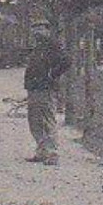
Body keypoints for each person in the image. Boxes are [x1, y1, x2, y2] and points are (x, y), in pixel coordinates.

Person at [24, 26, 70, 165]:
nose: (36, 31)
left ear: (47, 31)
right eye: (35, 28)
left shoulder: (53, 46)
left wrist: (52, 75)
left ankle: (52, 152)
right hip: (33, 88)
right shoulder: (37, 48)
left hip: (46, 88)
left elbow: (67, 61)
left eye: (40, 28)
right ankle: (42, 150)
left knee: (47, 119)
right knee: (34, 120)